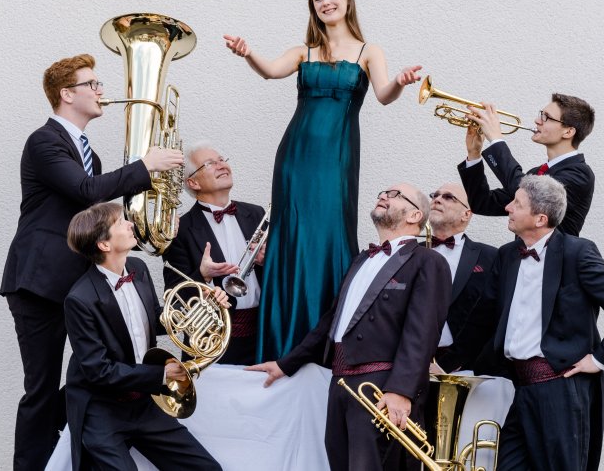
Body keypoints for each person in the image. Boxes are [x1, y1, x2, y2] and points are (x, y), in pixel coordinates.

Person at [224, 0, 423, 361]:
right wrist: (248, 53)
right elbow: (269, 70)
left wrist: (400, 80)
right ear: (313, 8)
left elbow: (384, 95)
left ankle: (325, 348)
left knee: (329, 234)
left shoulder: (369, 51)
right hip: (295, 158)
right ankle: (282, 347)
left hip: (336, 160)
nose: (325, 1)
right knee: (292, 237)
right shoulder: (304, 51)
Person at [0, 53, 183, 470]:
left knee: (85, 382)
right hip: (40, 284)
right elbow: (85, 190)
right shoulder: (44, 141)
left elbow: (96, 227)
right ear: (67, 94)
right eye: (93, 84)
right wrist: (145, 166)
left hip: (80, 287)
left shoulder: (90, 155)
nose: (102, 91)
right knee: (42, 391)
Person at [247, 183, 450, 471]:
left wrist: (401, 391)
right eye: (383, 192)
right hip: (341, 384)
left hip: (382, 388)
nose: (383, 196)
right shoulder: (361, 260)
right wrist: (285, 364)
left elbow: (422, 332)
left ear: (415, 215)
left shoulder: (429, 261)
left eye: (394, 195)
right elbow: (332, 322)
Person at [482, 175, 604, 470]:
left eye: (516, 203)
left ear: (540, 218)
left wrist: (599, 359)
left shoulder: (577, 252)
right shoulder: (508, 255)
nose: (508, 207)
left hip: (560, 391)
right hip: (522, 390)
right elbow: (484, 316)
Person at [64, 202, 224, 470]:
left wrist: (204, 298)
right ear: (104, 245)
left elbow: (158, 318)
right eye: (120, 223)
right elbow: (99, 371)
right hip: (102, 410)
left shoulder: (138, 268)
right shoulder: (79, 299)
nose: (130, 224)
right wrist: (161, 375)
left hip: (144, 404)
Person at [162, 142, 267, 365]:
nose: (221, 165)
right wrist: (203, 276)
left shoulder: (256, 214)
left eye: (222, 160)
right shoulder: (181, 230)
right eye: (210, 163)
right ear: (193, 182)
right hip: (214, 342)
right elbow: (175, 296)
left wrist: (268, 262)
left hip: (263, 338)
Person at [457, 93, 596, 236]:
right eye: (541, 114)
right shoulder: (537, 172)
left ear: (568, 131)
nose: (537, 121)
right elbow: (482, 203)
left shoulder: (580, 174)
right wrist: (474, 154)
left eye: (546, 117)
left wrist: (496, 140)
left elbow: (532, 196)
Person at [425, 183, 498, 373]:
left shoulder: (490, 257)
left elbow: (492, 317)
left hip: (465, 367)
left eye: (448, 197)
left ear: (467, 214)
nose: (437, 199)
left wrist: (450, 363)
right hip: (412, 361)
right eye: (435, 195)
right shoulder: (410, 252)